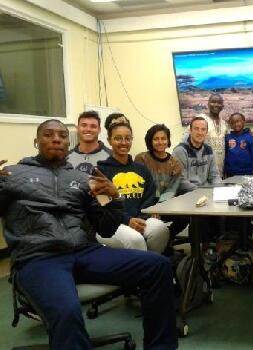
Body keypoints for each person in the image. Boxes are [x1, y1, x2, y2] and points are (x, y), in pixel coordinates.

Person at [0, 120, 177, 350]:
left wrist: (114, 199)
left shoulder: (83, 179)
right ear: (36, 141)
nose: (56, 139)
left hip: (84, 251)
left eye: (62, 136)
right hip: (38, 257)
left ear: (68, 143)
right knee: (66, 310)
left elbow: (106, 229)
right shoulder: (11, 174)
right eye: (48, 135)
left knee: (158, 266)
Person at [97, 118, 169, 253]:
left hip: (140, 218)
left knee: (161, 230)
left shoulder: (141, 169)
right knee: (136, 240)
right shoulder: (101, 171)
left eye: (127, 138)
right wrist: (127, 220)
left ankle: (151, 265)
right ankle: (143, 271)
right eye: (118, 138)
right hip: (112, 223)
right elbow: (102, 204)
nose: (123, 142)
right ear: (109, 140)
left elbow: (150, 196)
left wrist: (142, 217)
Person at [135, 124, 189, 239]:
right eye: (156, 139)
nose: (160, 142)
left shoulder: (175, 163)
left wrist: (159, 207)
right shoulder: (141, 159)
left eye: (163, 138)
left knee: (185, 217)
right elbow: (140, 187)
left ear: (168, 140)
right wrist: (151, 208)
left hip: (165, 203)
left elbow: (171, 190)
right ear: (150, 141)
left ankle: (166, 239)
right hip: (144, 204)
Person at [173, 116, 221, 193]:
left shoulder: (209, 149)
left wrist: (218, 189)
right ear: (190, 131)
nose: (200, 132)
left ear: (206, 132)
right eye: (196, 129)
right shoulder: (180, 151)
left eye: (203, 129)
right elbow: (181, 181)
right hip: (187, 194)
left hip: (206, 192)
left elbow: (214, 176)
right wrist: (200, 191)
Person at [184, 93, 228, 175]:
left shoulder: (224, 124)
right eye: (213, 102)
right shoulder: (200, 119)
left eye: (219, 102)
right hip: (201, 165)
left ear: (222, 106)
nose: (216, 104)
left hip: (220, 168)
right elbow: (185, 141)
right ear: (208, 104)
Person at [67, 110, 111, 174]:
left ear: (99, 130)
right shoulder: (66, 158)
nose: (88, 129)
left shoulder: (111, 157)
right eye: (84, 125)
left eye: (93, 126)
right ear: (77, 128)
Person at [224, 112, 253, 178]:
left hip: (248, 172)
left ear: (244, 121)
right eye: (233, 122)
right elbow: (225, 154)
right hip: (231, 173)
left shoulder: (250, 136)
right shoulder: (227, 137)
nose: (236, 124)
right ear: (230, 124)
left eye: (238, 121)